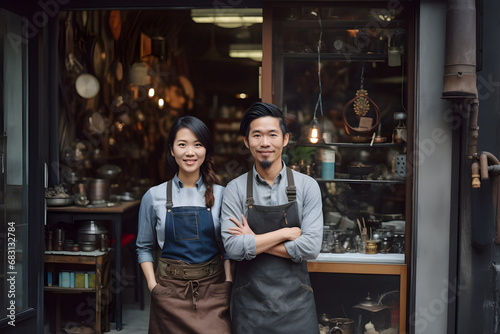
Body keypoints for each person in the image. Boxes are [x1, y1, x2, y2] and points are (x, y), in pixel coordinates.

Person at [221, 102, 323, 333]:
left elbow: (311, 247)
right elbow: (234, 249)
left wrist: (254, 240)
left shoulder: (307, 187)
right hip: (250, 306)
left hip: (297, 306)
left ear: (285, 139)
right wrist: (285, 233)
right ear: (247, 141)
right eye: (256, 135)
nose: (265, 143)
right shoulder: (234, 189)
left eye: (272, 135)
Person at [136, 116, 232, 333]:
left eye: (198, 144)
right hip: (169, 294)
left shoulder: (222, 195)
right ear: (172, 150)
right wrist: (154, 287)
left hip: (213, 292)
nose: (190, 152)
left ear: (206, 149)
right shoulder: (153, 196)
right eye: (182, 144)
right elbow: (143, 247)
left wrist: (228, 282)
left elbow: (228, 249)